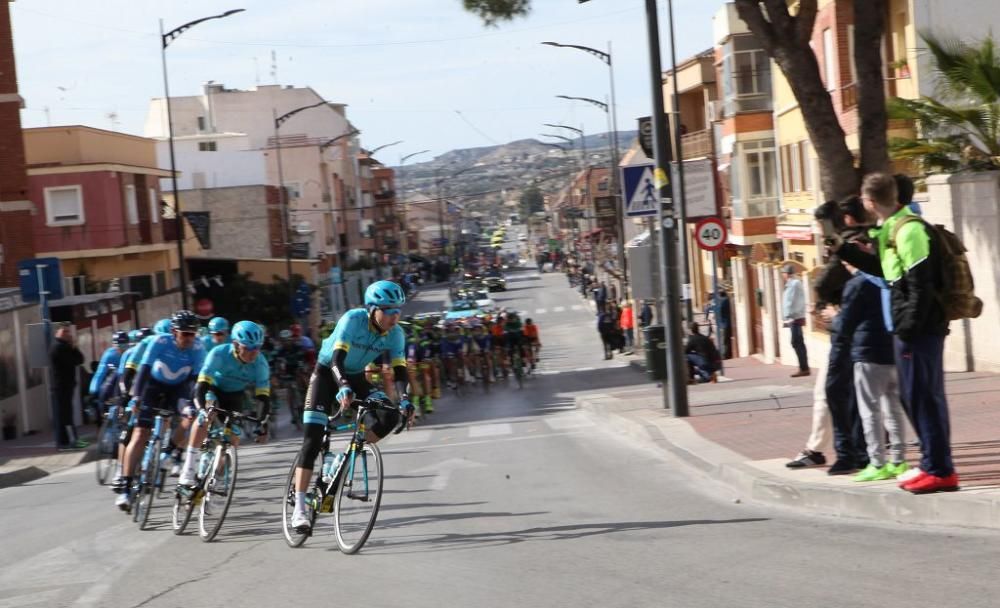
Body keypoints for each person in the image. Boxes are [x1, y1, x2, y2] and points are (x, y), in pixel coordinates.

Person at [837, 172, 957, 494]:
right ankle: (933, 464)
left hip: (918, 330)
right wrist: (846, 252)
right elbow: (888, 274)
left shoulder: (909, 231)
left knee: (923, 397)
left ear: (869, 201)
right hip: (908, 329)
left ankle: (941, 470)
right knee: (915, 397)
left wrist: (907, 329)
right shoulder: (892, 229)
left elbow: (920, 284)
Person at [289, 281, 414, 532]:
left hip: (356, 376)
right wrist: (342, 385)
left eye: (398, 310)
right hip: (328, 373)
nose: (395, 316)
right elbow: (337, 360)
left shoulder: (396, 333)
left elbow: (400, 371)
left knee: (389, 416)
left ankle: (346, 457)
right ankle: (299, 508)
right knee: (312, 440)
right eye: (389, 310)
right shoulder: (353, 320)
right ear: (373, 309)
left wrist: (405, 399)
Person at [115, 311, 207, 510]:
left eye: (193, 333)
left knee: (190, 416)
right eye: (185, 334)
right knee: (140, 433)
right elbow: (144, 370)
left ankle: (169, 451)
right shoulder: (160, 342)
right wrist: (136, 397)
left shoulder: (199, 348)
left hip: (179, 388)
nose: (190, 338)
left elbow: (196, 380)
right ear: (174, 332)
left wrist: (193, 404)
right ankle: (125, 486)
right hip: (153, 385)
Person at [836, 260, 908, 482]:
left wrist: (832, 317)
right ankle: (899, 460)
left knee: (870, 411)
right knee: (894, 408)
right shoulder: (891, 277)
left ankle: (877, 462)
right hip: (894, 351)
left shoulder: (858, 284)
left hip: (868, 355)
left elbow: (845, 324)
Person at [178, 321, 270, 488]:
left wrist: (262, 423)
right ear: (235, 344)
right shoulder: (219, 353)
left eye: (257, 348)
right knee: (204, 418)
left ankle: (215, 480)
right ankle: (188, 469)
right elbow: (202, 385)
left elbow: (263, 398)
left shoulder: (261, 364)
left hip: (235, 396)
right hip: (212, 389)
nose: (253, 353)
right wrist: (202, 409)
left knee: (233, 438)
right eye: (248, 348)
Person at [51, 323, 86, 450]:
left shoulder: (66, 346)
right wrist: (72, 347)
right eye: (64, 332)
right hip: (61, 386)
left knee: (67, 413)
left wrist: (73, 346)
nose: (67, 334)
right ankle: (67, 441)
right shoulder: (58, 347)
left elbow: (81, 359)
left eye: (68, 331)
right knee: (64, 415)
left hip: (68, 385)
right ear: (57, 333)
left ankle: (70, 440)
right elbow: (74, 361)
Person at [89, 331, 130, 412]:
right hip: (115, 385)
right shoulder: (109, 355)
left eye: (124, 346)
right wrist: (94, 391)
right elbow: (100, 373)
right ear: (113, 345)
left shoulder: (132, 353)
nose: (122, 350)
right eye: (119, 346)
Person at [781, 264, 810, 377]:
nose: (782, 275)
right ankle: (803, 367)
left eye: (783, 273)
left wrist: (787, 317)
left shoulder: (793, 284)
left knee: (797, 342)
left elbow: (790, 301)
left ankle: (804, 368)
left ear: (787, 274)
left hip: (795, 317)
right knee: (797, 342)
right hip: (794, 316)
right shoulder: (792, 284)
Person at [714, 290, 732, 359]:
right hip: (726, 323)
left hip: (722, 323)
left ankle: (725, 355)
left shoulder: (719, 301)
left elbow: (718, 311)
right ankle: (726, 355)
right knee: (726, 340)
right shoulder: (726, 300)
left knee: (724, 340)